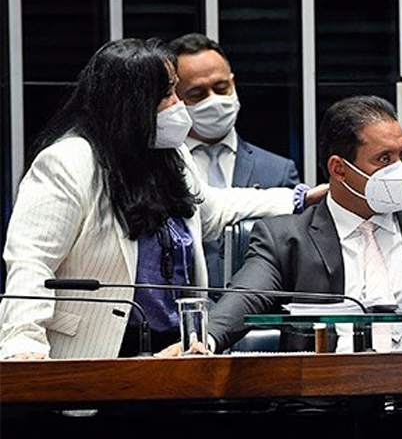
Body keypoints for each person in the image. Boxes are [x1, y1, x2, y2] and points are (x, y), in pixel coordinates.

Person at [0, 38, 313, 360]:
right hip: (97, 349)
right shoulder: (68, 161)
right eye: (166, 95)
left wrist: (300, 198)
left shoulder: (171, 154)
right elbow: (31, 260)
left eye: (175, 90)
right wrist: (24, 342)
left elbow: (212, 209)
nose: (178, 104)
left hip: (175, 348)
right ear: (130, 104)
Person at [192, 95, 402, 353]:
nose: (399, 170)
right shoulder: (285, 240)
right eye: (383, 159)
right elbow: (245, 298)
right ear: (339, 169)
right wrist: (204, 340)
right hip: (325, 390)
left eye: (401, 156)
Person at [168, 33, 302, 287]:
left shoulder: (278, 170)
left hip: (259, 306)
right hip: (184, 306)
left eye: (221, 88)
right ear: (175, 97)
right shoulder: (165, 169)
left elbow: (293, 254)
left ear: (233, 83)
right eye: (197, 93)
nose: (213, 100)